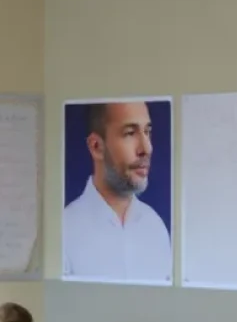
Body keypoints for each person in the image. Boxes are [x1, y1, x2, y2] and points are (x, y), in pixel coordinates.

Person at [62, 100, 172, 284]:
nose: (147, 149)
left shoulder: (155, 227)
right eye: (130, 133)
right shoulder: (64, 232)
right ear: (96, 146)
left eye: (147, 132)